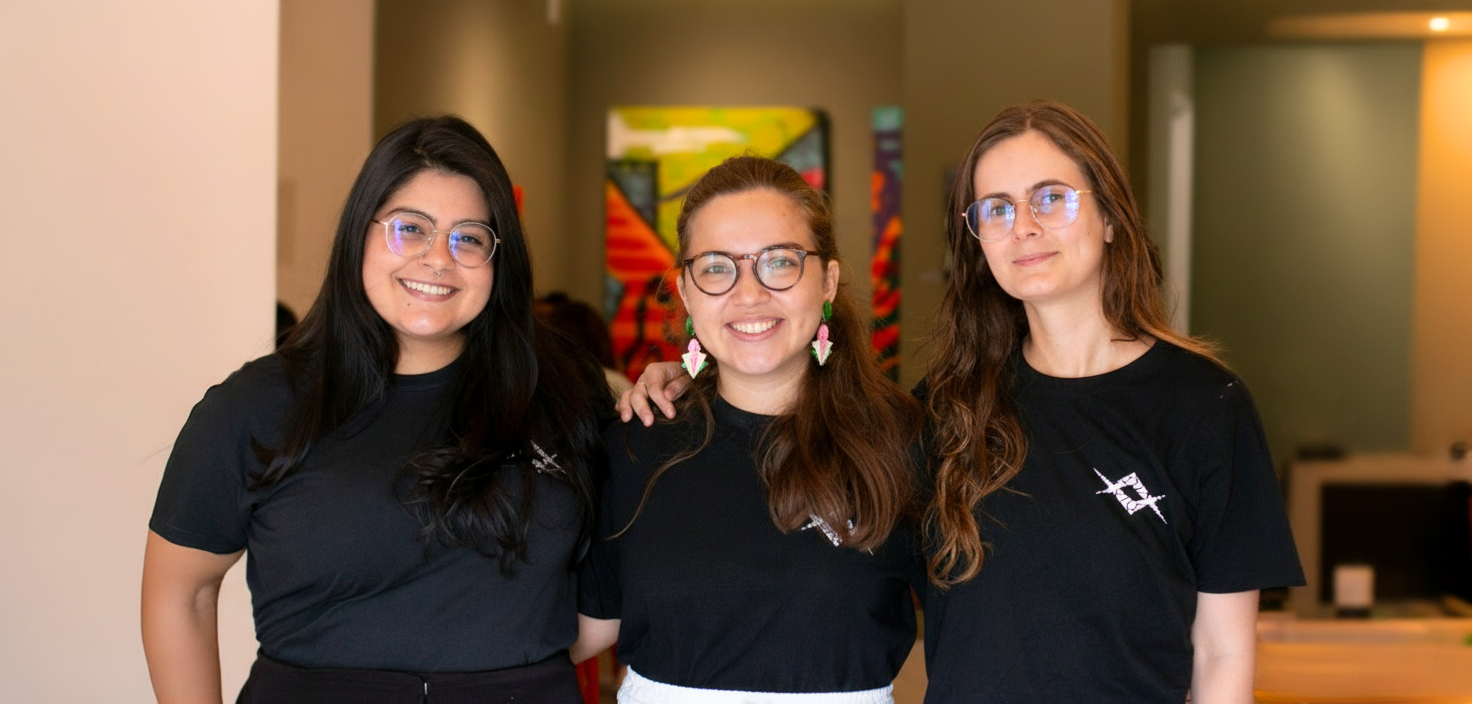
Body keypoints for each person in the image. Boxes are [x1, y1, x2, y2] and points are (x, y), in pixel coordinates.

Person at [621, 101, 1303, 703]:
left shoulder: (1203, 405)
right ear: (978, 241)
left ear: (1110, 218)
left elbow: (1222, 652)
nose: (1024, 228)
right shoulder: (943, 411)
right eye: (997, 210)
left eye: (1052, 198)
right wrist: (686, 377)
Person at [142, 116, 608, 704]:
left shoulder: (564, 392)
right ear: (359, 234)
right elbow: (181, 593)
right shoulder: (255, 406)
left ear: (499, 259)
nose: (439, 258)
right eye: (410, 229)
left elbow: (617, 579)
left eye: (469, 237)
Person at [575, 155, 924, 703]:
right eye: (716, 267)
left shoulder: (904, 443)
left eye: (779, 262)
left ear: (827, 281)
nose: (749, 294)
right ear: (685, 292)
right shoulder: (634, 441)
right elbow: (574, 631)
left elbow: (988, 633)